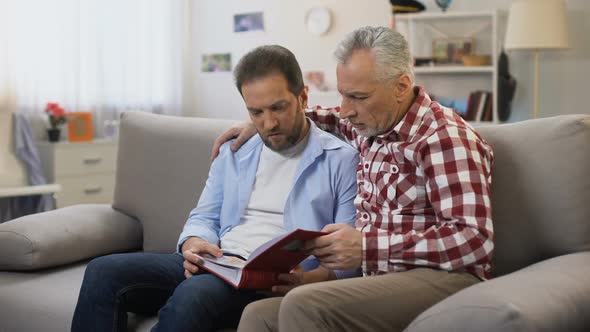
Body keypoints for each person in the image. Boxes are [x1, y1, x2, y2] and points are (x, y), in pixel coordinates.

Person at [212, 26, 495, 331]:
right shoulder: (370, 124)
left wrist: (367, 247)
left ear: (401, 86)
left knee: (303, 304)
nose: (346, 110)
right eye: (343, 94)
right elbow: (328, 117)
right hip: (380, 278)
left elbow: (473, 240)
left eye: (358, 97)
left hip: (442, 277)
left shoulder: (443, 138)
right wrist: (267, 122)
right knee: (257, 315)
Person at [70, 45, 360, 332]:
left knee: (194, 294)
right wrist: (193, 244)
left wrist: (308, 281)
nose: (268, 123)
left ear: (303, 96)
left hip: (271, 278)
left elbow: (346, 261)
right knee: (103, 271)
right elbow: (204, 215)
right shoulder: (236, 150)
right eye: (256, 112)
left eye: (278, 107)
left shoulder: (340, 159)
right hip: (220, 262)